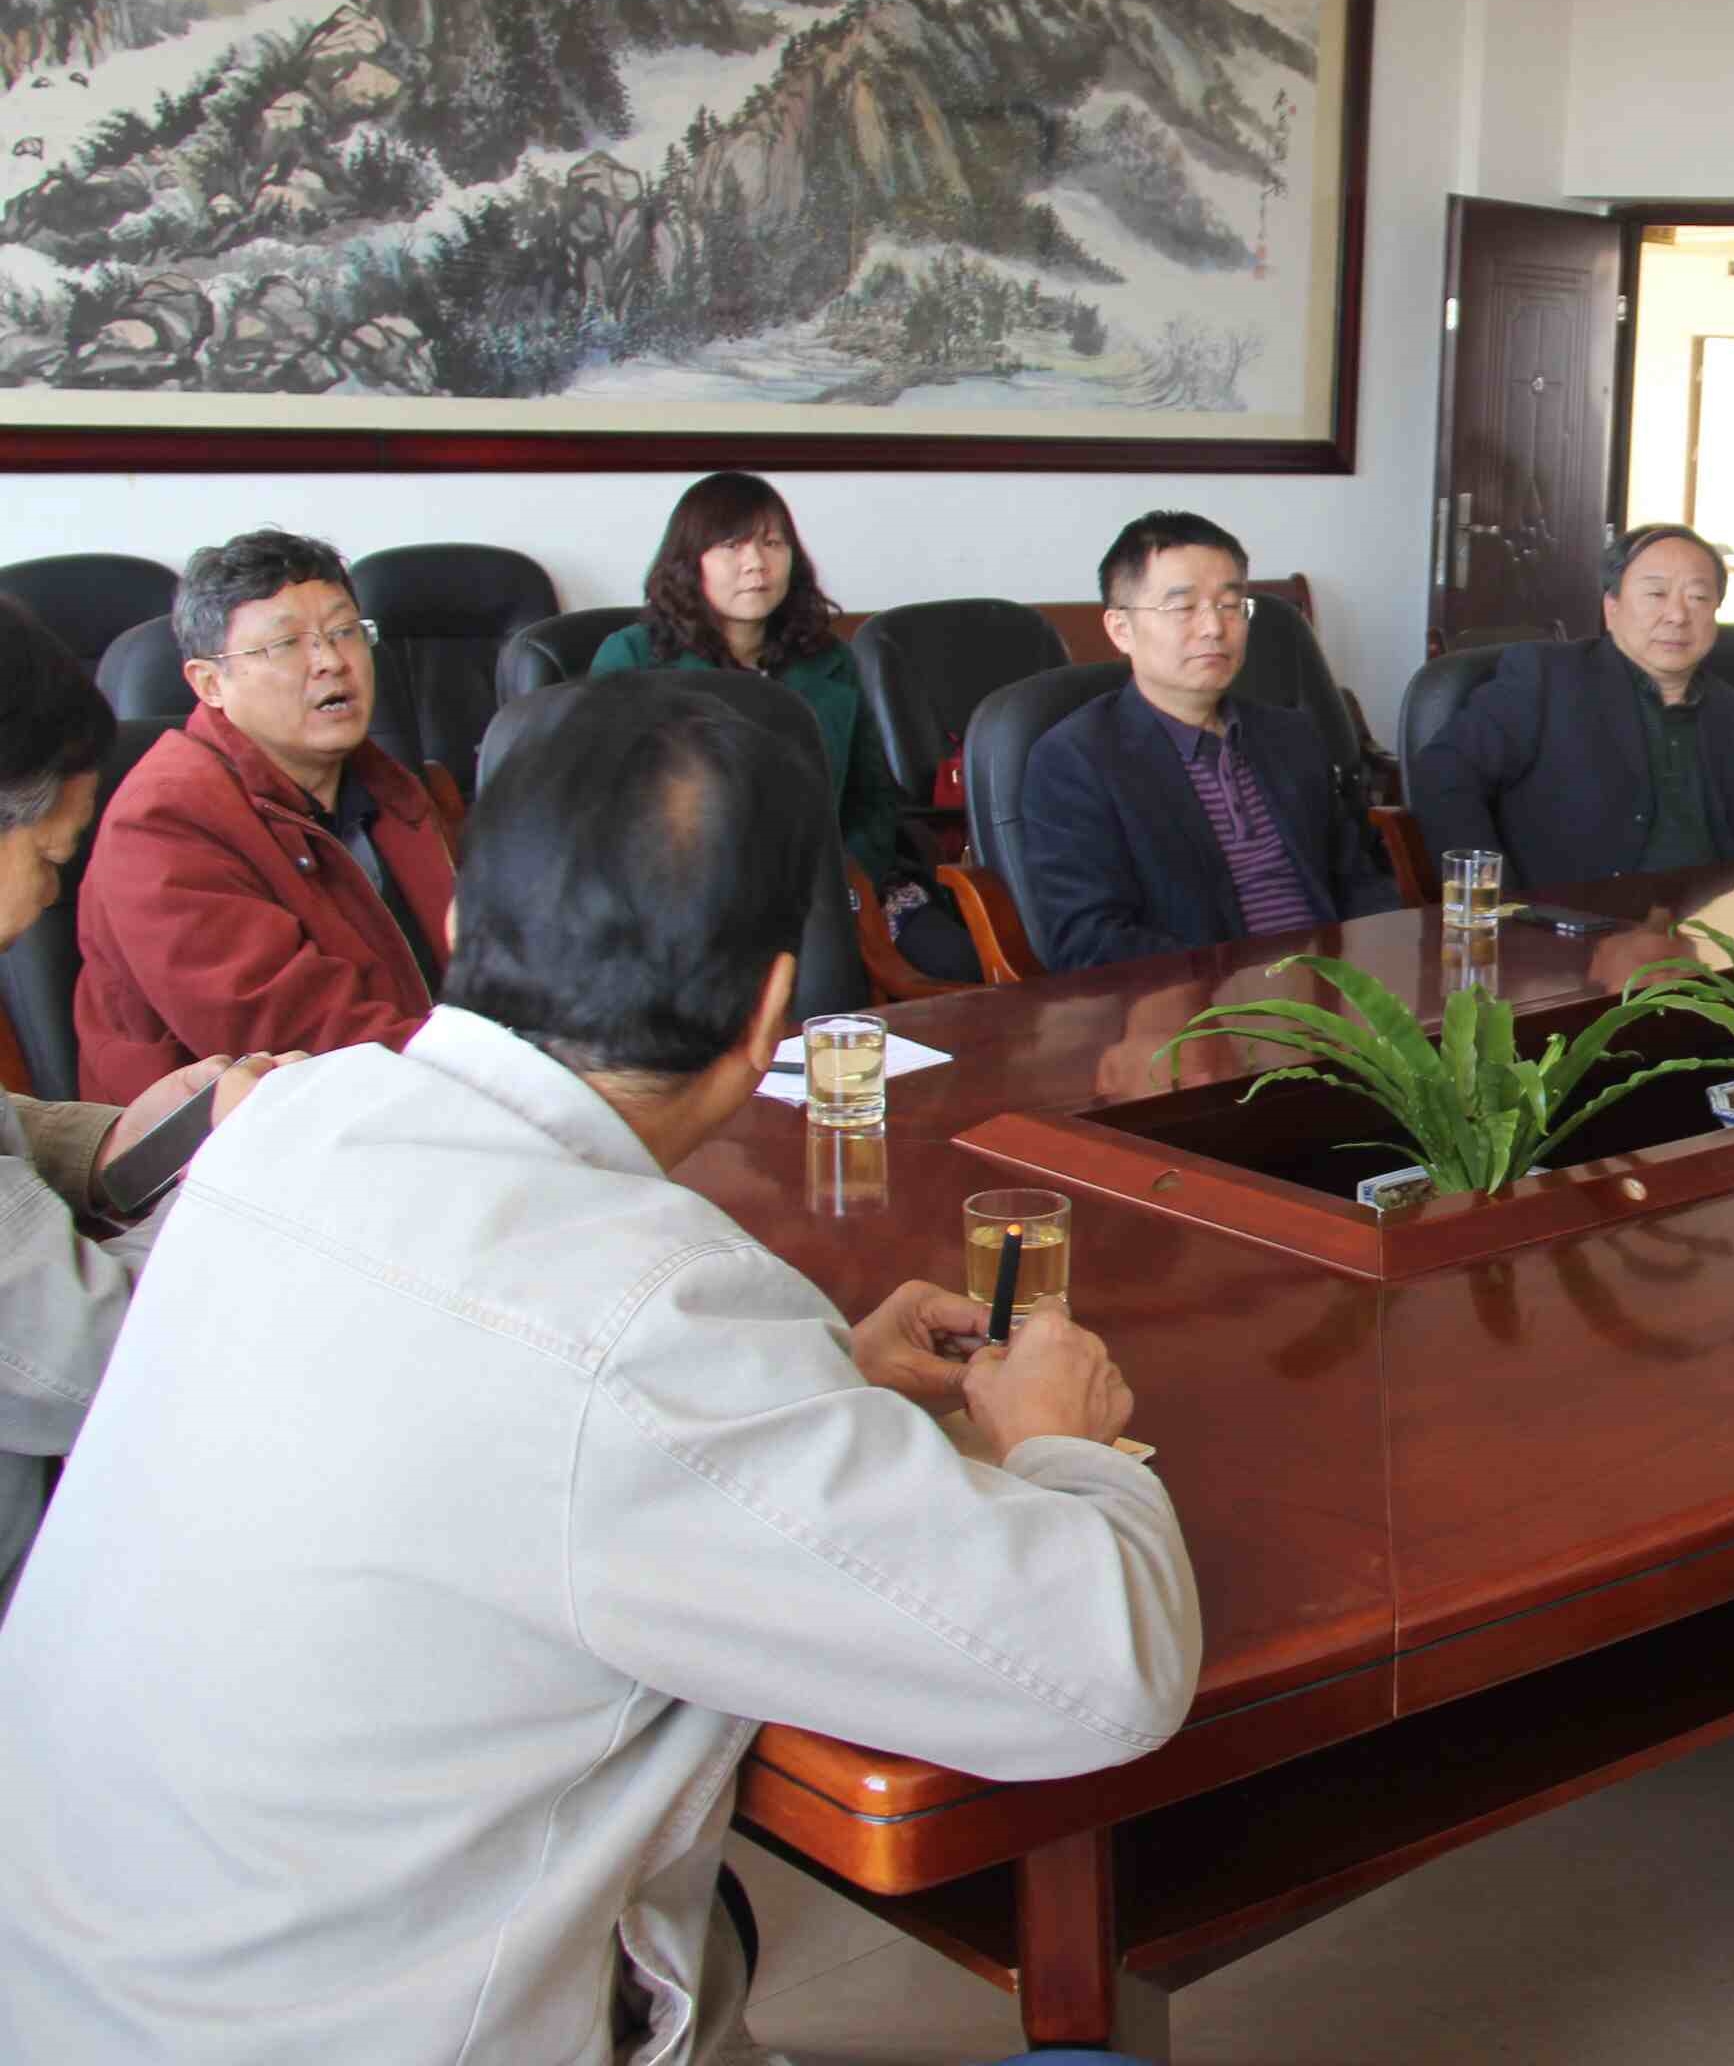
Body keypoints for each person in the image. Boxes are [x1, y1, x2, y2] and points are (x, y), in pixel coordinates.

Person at [0, 674, 1200, 2063]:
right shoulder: (651, 1317)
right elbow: (1104, 1676)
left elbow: (515, 1420)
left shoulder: (292, 1125)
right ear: (769, 1011)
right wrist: (1060, 1443)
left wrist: (820, 1377)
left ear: (461, 924)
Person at [0, 597, 283, 1612]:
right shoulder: (177, 816)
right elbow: (93, 1357)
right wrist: (242, 1178)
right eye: (49, 859)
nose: (49, 898)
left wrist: (114, 1140)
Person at [71, 529, 454, 1105]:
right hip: (237, 1138)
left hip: (409, 1096)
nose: (331, 662)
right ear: (210, 683)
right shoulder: (160, 824)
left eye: (344, 631)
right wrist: (498, 1076)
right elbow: (299, 1041)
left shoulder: (393, 787)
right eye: (286, 644)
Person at [593, 471, 981, 981]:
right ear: (689, 561)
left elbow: (871, 798)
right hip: (689, 902)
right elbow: (607, 812)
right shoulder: (635, 659)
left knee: (962, 966)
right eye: (732, 545)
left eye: (773, 543)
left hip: (833, 887)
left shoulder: (829, 660)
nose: (756, 562)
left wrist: (844, 880)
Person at [1020, 510, 1400, 972]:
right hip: (1197, 1003)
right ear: (1121, 629)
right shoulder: (1075, 760)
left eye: (1230, 605)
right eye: (1183, 608)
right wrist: (1236, 987)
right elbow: (1090, 940)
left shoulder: (1292, 736)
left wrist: (1384, 967)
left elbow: (1359, 881)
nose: (1214, 628)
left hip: (1335, 990)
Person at [1410, 523, 1734, 889]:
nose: (1678, 616)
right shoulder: (1547, 680)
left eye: (1698, 597)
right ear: (1612, 609)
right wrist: (1491, 895)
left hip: (1708, 927)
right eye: (1656, 594)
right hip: (1574, 923)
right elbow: (1444, 773)